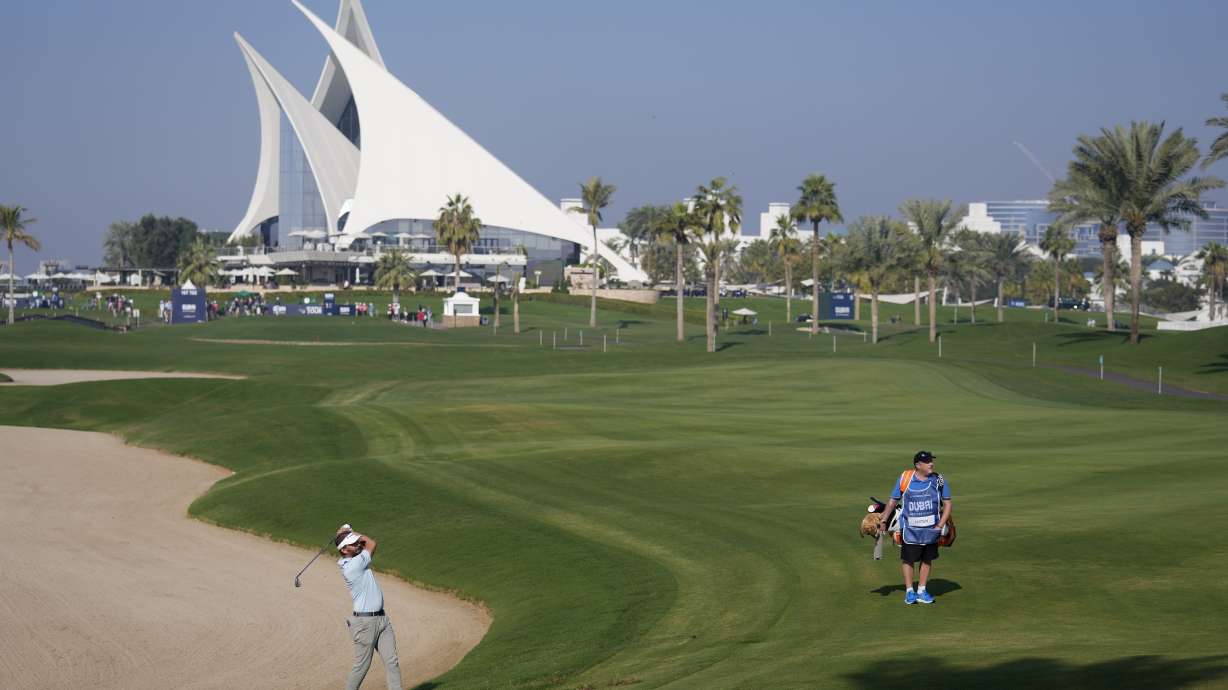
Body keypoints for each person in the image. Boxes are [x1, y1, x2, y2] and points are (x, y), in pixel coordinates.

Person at [877, 450, 951, 605]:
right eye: (927, 461)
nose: (931, 463)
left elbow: (948, 504)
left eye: (932, 460)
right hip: (910, 530)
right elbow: (893, 501)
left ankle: (922, 590)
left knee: (927, 559)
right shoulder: (905, 478)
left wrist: (940, 525)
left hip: (932, 529)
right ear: (918, 465)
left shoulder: (939, 480)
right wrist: (883, 519)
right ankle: (910, 591)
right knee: (908, 559)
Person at [335, 525, 402, 689]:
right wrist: (350, 532)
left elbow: (364, 546)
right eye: (353, 543)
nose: (358, 544)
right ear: (344, 550)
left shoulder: (354, 559)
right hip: (365, 624)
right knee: (362, 666)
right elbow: (371, 543)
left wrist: (346, 535)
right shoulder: (353, 566)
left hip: (382, 620)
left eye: (357, 542)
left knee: (391, 661)